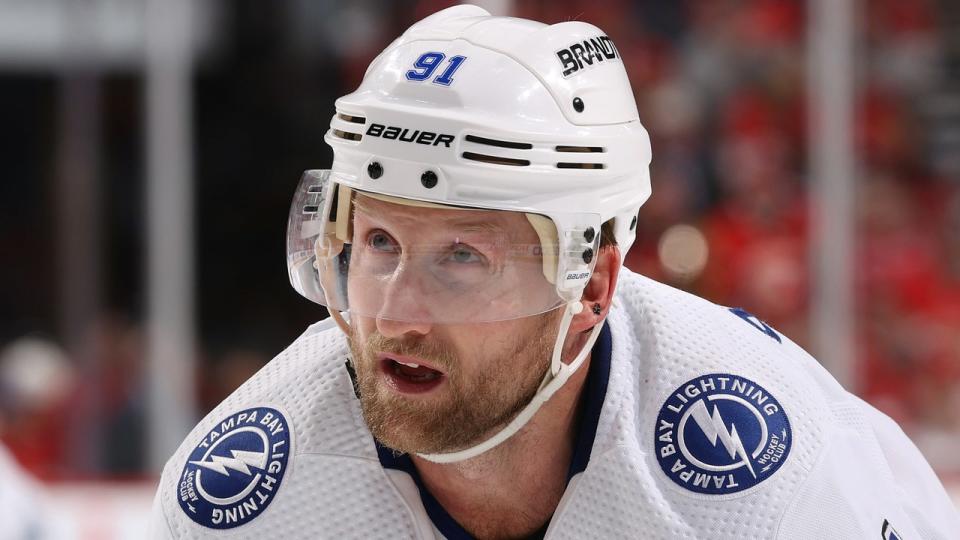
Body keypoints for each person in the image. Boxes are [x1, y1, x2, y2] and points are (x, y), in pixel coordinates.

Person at [149, 5, 959, 539]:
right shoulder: (240, 498)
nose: (397, 313)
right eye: (381, 244)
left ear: (593, 289)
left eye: (462, 256)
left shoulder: (767, 485)